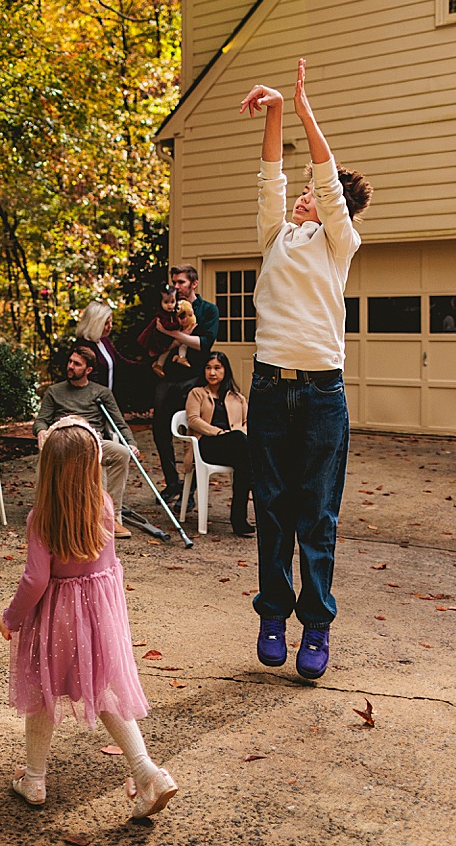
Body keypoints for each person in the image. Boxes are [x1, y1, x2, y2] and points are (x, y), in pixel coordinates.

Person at [239, 59, 372, 680]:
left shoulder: (338, 245)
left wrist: (304, 108)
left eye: (315, 196)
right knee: (271, 509)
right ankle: (273, 614)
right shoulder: (275, 237)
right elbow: (271, 175)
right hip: (270, 389)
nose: (301, 196)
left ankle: (316, 626)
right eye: (302, 193)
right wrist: (273, 113)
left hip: (321, 397)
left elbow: (322, 174)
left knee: (317, 515)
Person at [0, 417, 178, 818]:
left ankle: (34, 779)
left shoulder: (41, 519)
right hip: (98, 618)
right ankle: (147, 771)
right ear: (92, 465)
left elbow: (35, 579)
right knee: (104, 689)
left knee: (44, 693)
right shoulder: (104, 507)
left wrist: (11, 619)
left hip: (57, 620)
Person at [32, 347, 139, 540]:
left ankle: (110, 516)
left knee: (121, 452)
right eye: (70, 362)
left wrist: (130, 443)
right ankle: (46, 513)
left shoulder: (102, 393)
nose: (70, 366)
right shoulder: (55, 391)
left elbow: (119, 423)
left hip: (93, 441)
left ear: (88, 370)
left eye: (77, 364)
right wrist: (41, 431)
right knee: (46, 454)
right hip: (63, 440)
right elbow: (41, 420)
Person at [151, 264, 219, 507]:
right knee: (160, 429)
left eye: (181, 282)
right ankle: (172, 484)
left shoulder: (208, 310)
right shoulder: (168, 306)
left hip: (194, 377)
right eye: (175, 282)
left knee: (193, 433)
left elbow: (204, 343)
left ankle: (189, 494)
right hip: (167, 376)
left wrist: (173, 336)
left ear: (194, 284)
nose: (176, 287)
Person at [183, 352, 253, 537]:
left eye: (217, 368)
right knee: (246, 451)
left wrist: (237, 434)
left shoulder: (238, 398)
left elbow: (248, 423)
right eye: (208, 368)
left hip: (235, 448)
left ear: (225, 370)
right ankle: (242, 516)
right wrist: (220, 432)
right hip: (207, 446)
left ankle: (238, 517)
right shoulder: (197, 393)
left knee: (244, 461)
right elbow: (193, 420)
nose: (212, 372)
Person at [71, 301, 143, 401]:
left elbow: (122, 363)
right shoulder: (83, 347)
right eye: (106, 323)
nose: (110, 326)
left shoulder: (104, 341)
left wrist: (149, 365)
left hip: (107, 399)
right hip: (92, 403)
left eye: (110, 322)